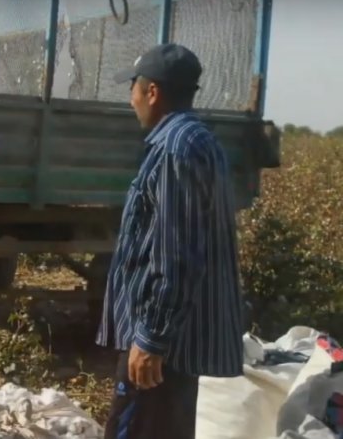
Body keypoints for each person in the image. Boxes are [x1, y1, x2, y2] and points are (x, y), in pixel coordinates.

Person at [97, 44, 244, 439]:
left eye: (133, 88)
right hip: (180, 340)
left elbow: (176, 255)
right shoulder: (198, 141)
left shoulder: (174, 150)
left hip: (164, 348)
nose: (130, 100)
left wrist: (150, 340)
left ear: (152, 92)